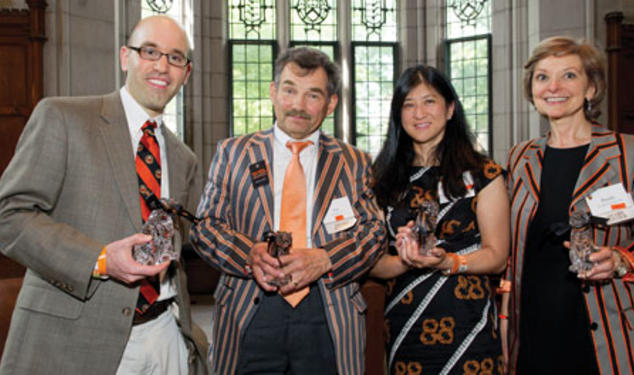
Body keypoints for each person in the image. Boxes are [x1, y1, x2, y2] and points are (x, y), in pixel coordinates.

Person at [0, 15, 208, 374]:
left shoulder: (183, 158)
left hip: (165, 337)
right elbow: (10, 216)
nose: (162, 65)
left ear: (185, 73)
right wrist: (98, 259)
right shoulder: (63, 118)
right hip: (78, 340)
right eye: (150, 51)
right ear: (125, 57)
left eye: (175, 57)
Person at [190, 46, 386, 375]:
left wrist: (326, 258)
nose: (298, 105)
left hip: (328, 308)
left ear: (331, 103)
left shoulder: (354, 161)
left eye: (313, 95)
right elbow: (205, 227)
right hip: (249, 306)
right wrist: (248, 255)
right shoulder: (233, 152)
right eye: (290, 90)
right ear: (273, 92)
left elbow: (374, 234)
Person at [502, 36, 634, 374]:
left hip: (606, 329)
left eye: (569, 76)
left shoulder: (627, 154)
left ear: (591, 88)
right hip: (532, 333)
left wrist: (621, 259)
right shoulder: (520, 157)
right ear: (531, 89)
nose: (554, 87)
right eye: (542, 77)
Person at [370, 64, 510, 374]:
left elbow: (497, 256)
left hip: (468, 326)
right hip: (406, 327)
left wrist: (447, 262)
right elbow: (374, 261)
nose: (419, 113)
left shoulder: (483, 174)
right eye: (408, 104)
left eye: (429, 101)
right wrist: (408, 260)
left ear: (449, 109)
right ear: (398, 114)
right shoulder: (382, 179)